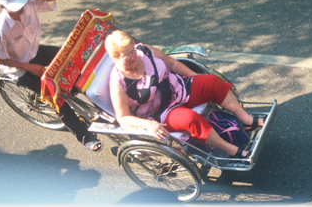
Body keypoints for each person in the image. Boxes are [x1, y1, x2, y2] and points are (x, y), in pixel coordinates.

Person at [105, 30, 265, 158]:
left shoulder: (143, 50)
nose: (133, 56)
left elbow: (172, 63)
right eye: (127, 55)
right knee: (190, 119)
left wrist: (196, 77)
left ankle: (247, 120)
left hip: (179, 88)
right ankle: (231, 149)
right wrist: (146, 124)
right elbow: (122, 118)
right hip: (160, 112)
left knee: (212, 82)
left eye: (132, 51)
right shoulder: (117, 82)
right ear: (115, 57)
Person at [0, 0, 103, 152]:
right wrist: (28, 67)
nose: (20, 10)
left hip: (36, 52)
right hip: (21, 70)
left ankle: (101, 104)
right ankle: (85, 137)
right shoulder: (0, 30)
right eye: (14, 8)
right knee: (57, 98)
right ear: (1, 6)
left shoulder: (27, 3)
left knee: (75, 64)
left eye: (20, 4)